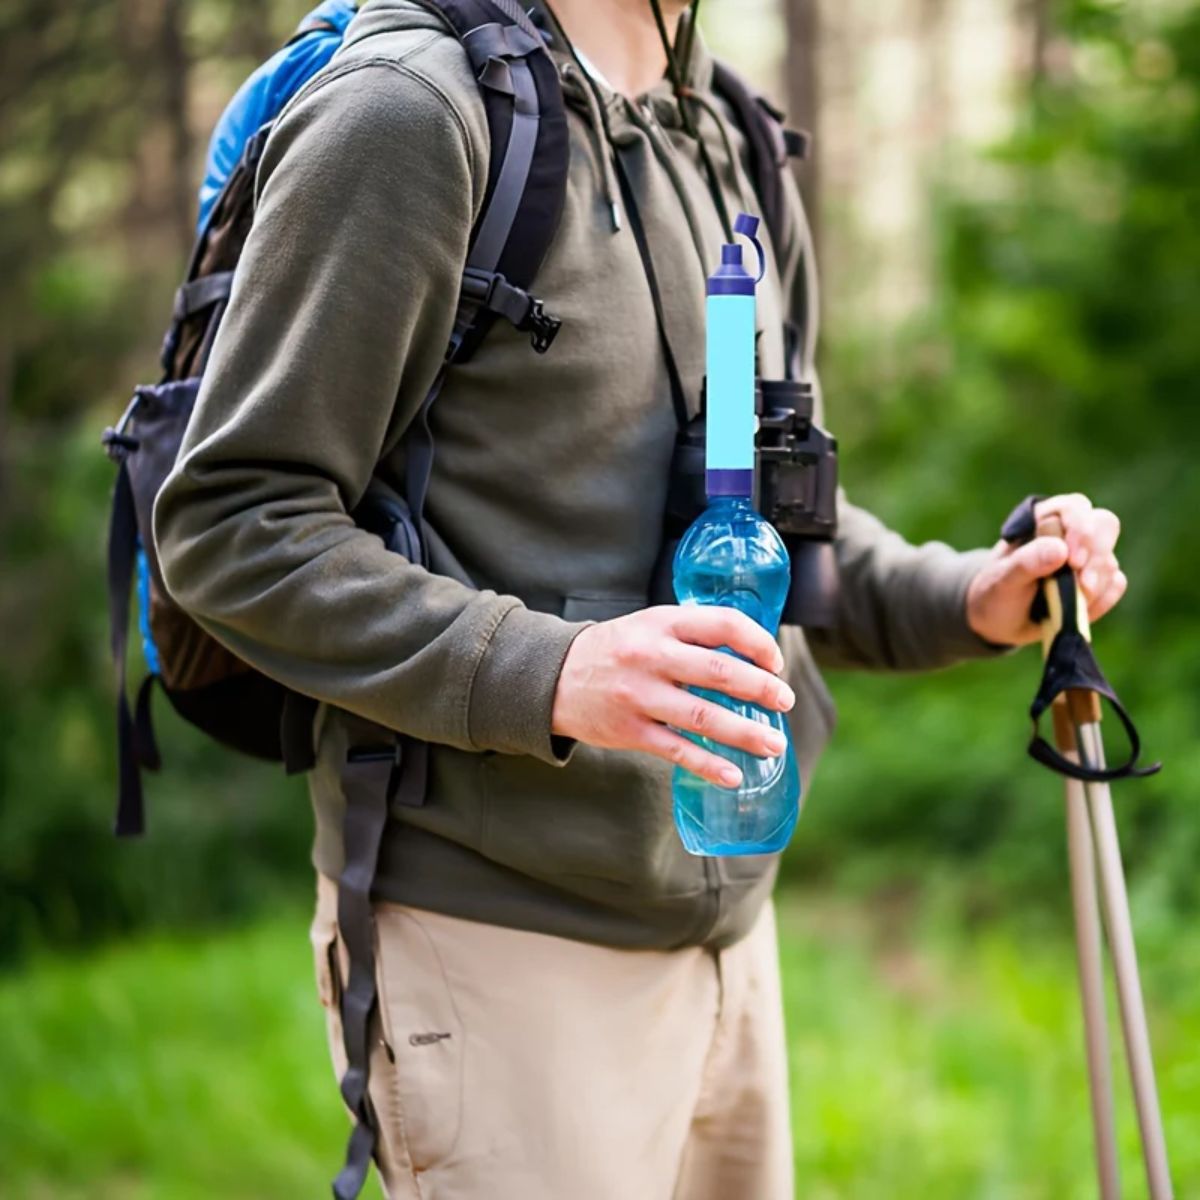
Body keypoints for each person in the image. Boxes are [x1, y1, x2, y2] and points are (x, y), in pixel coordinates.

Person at [152, 1, 1127, 1197]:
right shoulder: (409, 113)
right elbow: (232, 522)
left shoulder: (728, 133)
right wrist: (557, 674)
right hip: (499, 948)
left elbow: (779, 526)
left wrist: (976, 592)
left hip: (728, 938)